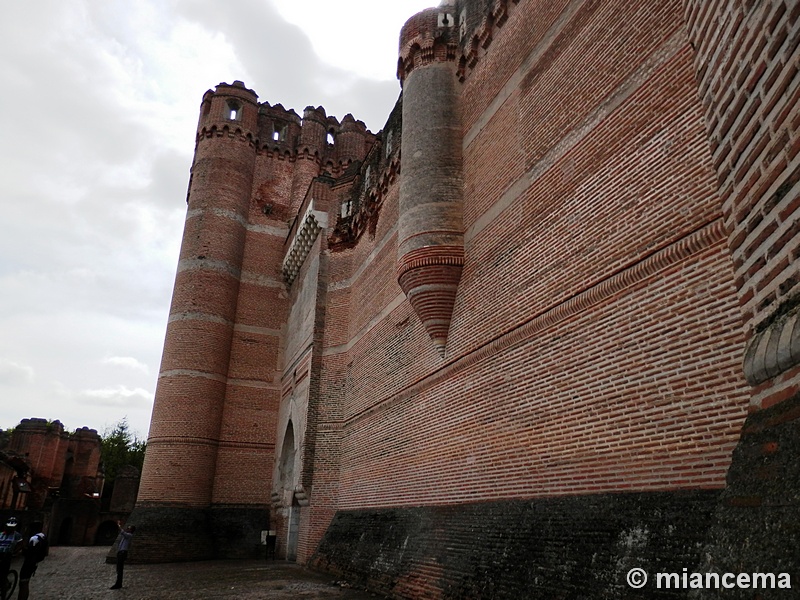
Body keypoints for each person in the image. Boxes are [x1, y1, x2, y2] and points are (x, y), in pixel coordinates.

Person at [17, 530, 47, 600]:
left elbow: (31, 553)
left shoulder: (33, 539)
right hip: (33, 563)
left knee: (23, 583)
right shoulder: (40, 537)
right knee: (25, 583)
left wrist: (23, 550)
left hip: (29, 563)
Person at [0, 518, 23, 598]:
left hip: (7, 556)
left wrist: (15, 552)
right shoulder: (1, 534)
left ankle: (3, 594)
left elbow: (20, 545)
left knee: (2, 575)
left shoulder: (17, 535)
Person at [110, 521, 135, 590]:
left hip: (122, 553)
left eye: (129, 528)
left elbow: (122, 532)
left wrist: (119, 525)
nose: (127, 528)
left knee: (120, 569)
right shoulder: (125, 536)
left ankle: (118, 584)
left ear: (131, 530)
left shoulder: (129, 536)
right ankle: (118, 583)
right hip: (120, 552)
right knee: (118, 569)